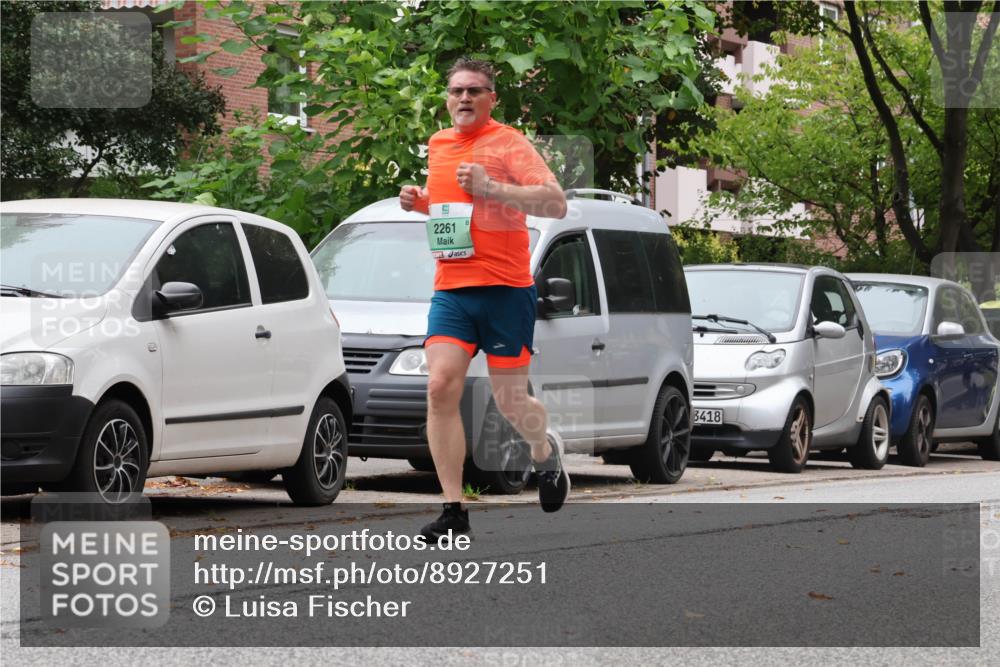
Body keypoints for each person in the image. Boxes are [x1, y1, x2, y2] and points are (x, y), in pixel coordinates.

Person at [399, 58, 569, 539]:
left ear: (492, 98)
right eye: (456, 91)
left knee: (512, 400)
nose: (464, 98)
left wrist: (494, 187)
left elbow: (555, 202)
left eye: (475, 91)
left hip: (506, 289)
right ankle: (454, 511)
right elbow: (452, 205)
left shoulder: (509, 142)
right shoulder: (438, 144)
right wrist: (421, 201)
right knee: (440, 388)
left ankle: (542, 452)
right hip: (452, 286)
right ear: (447, 98)